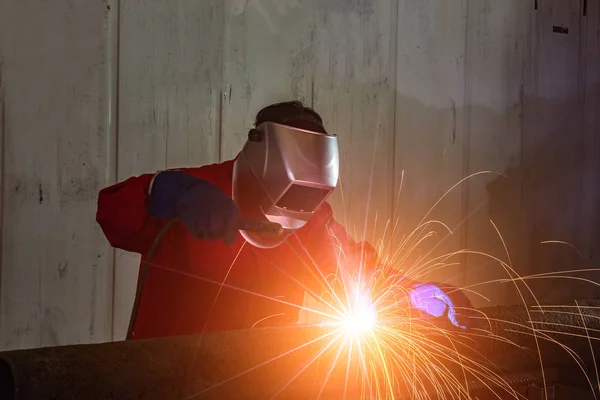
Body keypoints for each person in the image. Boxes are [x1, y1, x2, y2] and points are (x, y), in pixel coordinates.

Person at [96, 101, 471, 340]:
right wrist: (164, 191)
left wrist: (412, 292)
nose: (300, 208)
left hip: (259, 380)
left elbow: (354, 270)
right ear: (264, 161)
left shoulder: (312, 220)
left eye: (312, 195)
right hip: (167, 380)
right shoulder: (198, 193)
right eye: (296, 191)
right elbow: (112, 215)